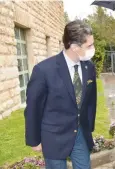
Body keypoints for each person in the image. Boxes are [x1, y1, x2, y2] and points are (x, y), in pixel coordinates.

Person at [24, 20, 97, 169]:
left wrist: (89, 125)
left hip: (80, 133)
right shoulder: (44, 70)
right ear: (75, 47)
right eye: (89, 45)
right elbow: (33, 107)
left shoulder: (89, 67)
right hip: (54, 136)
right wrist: (34, 139)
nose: (93, 48)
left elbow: (91, 100)